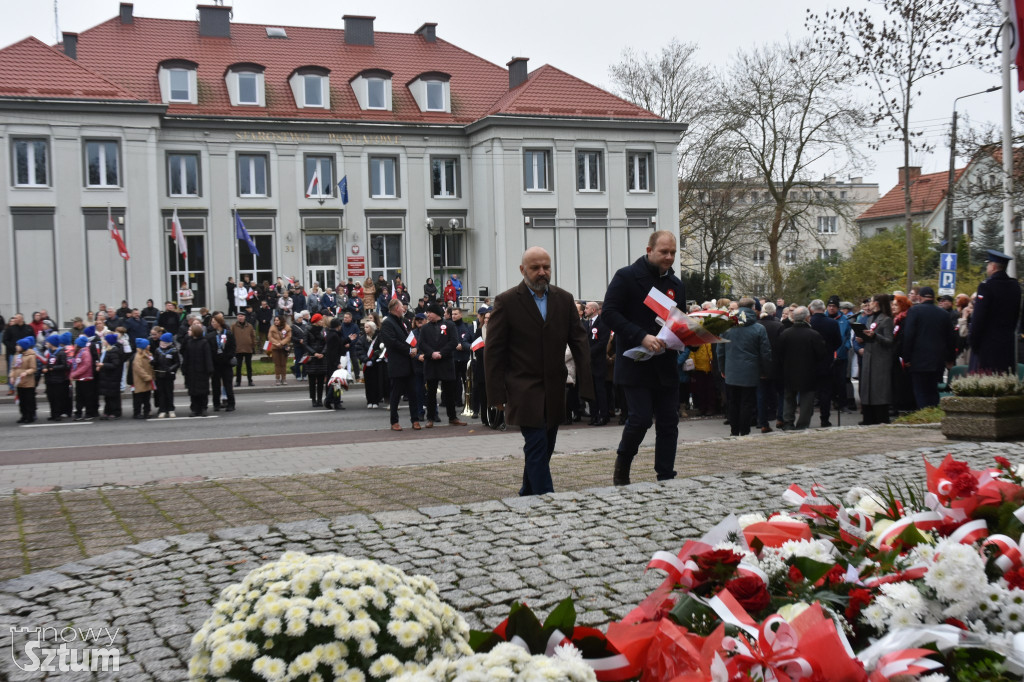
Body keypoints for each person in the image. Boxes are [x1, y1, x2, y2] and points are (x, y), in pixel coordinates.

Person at [485, 247, 592, 496]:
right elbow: (493, 352)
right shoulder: (507, 301)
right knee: (536, 443)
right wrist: (496, 395)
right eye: (535, 268)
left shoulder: (564, 299)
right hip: (523, 388)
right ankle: (547, 498)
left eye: (546, 267)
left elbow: (579, 342)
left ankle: (527, 493)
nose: (542, 272)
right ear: (523, 270)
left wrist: (585, 384)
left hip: (555, 388)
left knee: (545, 447)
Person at [602, 231, 685, 485]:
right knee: (639, 419)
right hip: (635, 361)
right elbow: (609, 313)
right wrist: (641, 336)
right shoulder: (626, 276)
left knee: (669, 421)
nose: (669, 257)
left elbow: (678, 321)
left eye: (673, 252)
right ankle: (622, 468)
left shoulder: (676, 285)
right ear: (649, 250)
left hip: (666, 363)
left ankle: (666, 474)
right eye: (664, 252)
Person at [718, 298, 771, 437]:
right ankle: (745, 431)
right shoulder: (759, 328)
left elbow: (720, 351)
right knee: (747, 402)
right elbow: (765, 353)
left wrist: (722, 369)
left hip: (731, 369)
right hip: (751, 370)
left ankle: (734, 431)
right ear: (753, 308)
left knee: (733, 402)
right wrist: (765, 371)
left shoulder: (727, 326)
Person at [969, 249, 1022, 375]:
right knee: (1005, 381)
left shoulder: (986, 286)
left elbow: (979, 318)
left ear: (993, 266)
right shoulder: (1015, 286)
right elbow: (1015, 316)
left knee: (986, 385)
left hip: (987, 346)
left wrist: (973, 342)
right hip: (1007, 344)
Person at [902, 285, 955, 409]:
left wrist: (906, 358)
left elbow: (909, 335)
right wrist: (950, 358)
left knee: (920, 391)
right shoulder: (943, 313)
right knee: (933, 390)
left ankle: (924, 415)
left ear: (920, 297)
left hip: (918, 359)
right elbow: (951, 338)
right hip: (937, 360)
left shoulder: (915, 311)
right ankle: (933, 415)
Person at [774, 306, 825, 430]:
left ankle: (788, 422)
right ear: (807, 318)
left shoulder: (785, 334)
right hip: (809, 372)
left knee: (789, 399)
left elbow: (778, 354)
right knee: (807, 402)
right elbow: (822, 354)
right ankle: (803, 424)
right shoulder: (813, 334)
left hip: (789, 372)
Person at [419, 303, 468, 428]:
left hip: (445, 362)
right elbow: (422, 344)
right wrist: (432, 353)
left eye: (430, 312)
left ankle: (452, 417)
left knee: (449, 392)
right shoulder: (425, 328)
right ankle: (430, 418)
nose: (428, 315)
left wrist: (441, 353)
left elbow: (454, 341)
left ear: (436, 313)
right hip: (431, 363)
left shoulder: (450, 325)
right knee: (431, 392)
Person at [379, 299, 420, 430]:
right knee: (396, 395)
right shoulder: (387, 323)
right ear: (396, 308)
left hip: (410, 363)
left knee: (413, 393)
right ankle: (394, 422)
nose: (404, 309)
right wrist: (408, 350)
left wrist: (415, 348)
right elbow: (391, 342)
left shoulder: (405, 321)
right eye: (402, 307)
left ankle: (415, 420)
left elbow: (411, 337)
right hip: (397, 364)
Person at [856, 294, 896, 425]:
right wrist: (863, 338)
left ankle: (881, 417)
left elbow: (889, 341)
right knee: (867, 387)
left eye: (872, 301)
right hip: (868, 356)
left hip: (880, 359)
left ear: (878, 303)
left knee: (878, 389)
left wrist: (875, 336)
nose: (870, 304)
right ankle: (868, 417)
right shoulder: (870, 318)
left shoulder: (886, 320)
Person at [807, 299, 841, 427]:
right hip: (827, 361)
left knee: (809, 392)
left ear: (812, 309)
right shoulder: (832, 323)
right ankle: (825, 419)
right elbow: (838, 341)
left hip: (810, 361)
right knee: (825, 392)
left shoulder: (810, 322)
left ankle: (806, 418)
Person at [756, 302, 784, 433]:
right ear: (774, 312)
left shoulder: (756, 326)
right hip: (777, 365)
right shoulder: (779, 326)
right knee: (780, 392)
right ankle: (780, 418)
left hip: (760, 365)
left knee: (761, 394)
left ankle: (763, 422)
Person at [584, 301, 611, 425]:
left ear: (593, 310)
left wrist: (588, 353)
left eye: (587, 308)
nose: (585, 310)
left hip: (598, 362)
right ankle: (594, 415)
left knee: (600, 390)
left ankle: (603, 415)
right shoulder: (585, 324)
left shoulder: (603, 323)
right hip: (588, 364)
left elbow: (602, 342)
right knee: (591, 391)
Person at [208, 314, 236, 412]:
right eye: (212, 322)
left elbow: (233, 347)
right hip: (216, 364)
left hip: (226, 364)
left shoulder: (228, 334)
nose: (212, 324)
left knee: (228, 385)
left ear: (219, 323)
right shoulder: (210, 336)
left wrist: (228, 357)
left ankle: (231, 403)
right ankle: (216, 404)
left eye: (214, 322)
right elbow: (209, 350)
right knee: (215, 385)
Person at [41, 334, 70, 422]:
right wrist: (44, 368)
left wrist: (53, 368)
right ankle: (53, 414)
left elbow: (64, 365)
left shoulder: (61, 353)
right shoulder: (48, 353)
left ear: (52, 343)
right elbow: (45, 363)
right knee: (51, 398)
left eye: (48, 342)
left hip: (58, 380)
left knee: (57, 398)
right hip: (49, 379)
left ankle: (57, 414)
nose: (47, 343)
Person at [303, 313, 330, 407]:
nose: (322, 322)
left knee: (321, 380)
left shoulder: (324, 330)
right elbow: (306, 344)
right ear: (316, 321)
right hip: (312, 358)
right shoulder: (307, 330)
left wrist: (323, 352)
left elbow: (327, 342)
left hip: (322, 357)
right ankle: (313, 399)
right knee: (312, 381)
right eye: (321, 320)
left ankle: (319, 399)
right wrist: (314, 353)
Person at [152, 332, 180, 418]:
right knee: (161, 393)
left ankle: (171, 409)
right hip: (160, 375)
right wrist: (153, 362)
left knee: (169, 392)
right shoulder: (158, 350)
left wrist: (171, 369)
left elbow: (177, 363)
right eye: (161, 342)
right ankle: (162, 409)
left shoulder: (173, 351)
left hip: (169, 375)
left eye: (164, 342)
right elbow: (156, 361)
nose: (162, 344)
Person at [96, 333, 124, 420]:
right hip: (108, 377)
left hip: (111, 377)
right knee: (108, 396)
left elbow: (115, 364)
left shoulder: (113, 351)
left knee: (112, 396)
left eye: (105, 340)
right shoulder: (108, 350)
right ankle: (107, 411)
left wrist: (103, 365)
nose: (104, 341)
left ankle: (115, 412)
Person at [11, 337, 38, 423]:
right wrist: (11, 376)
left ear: (22, 346)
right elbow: (13, 368)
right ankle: (23, 415)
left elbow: (33, 368)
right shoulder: (17, 355)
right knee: (21, 401)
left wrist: (26, 372)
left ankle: (29, 416)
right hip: (19, 382)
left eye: (18, 345)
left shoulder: (30, 356)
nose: (16, 346)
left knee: (28, 400)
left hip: (28, 382)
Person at [3, 313, 32, 395]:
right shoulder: (10, 329)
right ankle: (11, 388)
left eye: (16, 318)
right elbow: (5, 340)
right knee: (12, 370)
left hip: (26, 354)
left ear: (21, 319)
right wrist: (12, 347)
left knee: (25, 369)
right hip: (13, 354)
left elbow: (32, 338)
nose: (15, 319)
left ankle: (25, 385)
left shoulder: (28, 328)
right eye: (15, 318)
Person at [471, 310, 489, 425]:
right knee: (483, 393)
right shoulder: (479, 331)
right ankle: (484, 418)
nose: (487, 320)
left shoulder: (499, 331)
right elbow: (476, 349)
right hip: (482, 367)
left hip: (496, 368)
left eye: (490, 318)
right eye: (486, 318)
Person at [130, 338, 154, 419]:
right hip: (140, 380)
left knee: (147, 397)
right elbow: (138, 369)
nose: (149, 346)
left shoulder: (148, 354)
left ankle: (147, 411)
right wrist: (147, 377)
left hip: (147, 380)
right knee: (138, 398)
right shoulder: (138, 357)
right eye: (147, 345)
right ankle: (137, 413)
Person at [232, 312, 258, 387]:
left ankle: (250, 380)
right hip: (238, 349)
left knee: (249, 366)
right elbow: (231, 337)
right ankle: (238, 381)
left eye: (242, 316)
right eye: (239, 316)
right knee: (238, 366)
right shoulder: (234, 326)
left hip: (248, 349)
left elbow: (253, 336)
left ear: (245, 317)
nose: (240, 317)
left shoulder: (249, 326)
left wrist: (253, 346)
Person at [268, 315, 291, 385]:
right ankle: (277, 378)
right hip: (275, 348)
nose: (276, 322)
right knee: (277, 364)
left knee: (283, 364)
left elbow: (288, 337)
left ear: (281, 320)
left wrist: (281, 343)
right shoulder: (272, 328)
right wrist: (277, 343)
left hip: (284, 348)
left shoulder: (287, 327)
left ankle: (283, 378)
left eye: (277, 320)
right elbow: (270, 337)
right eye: (275, 320)